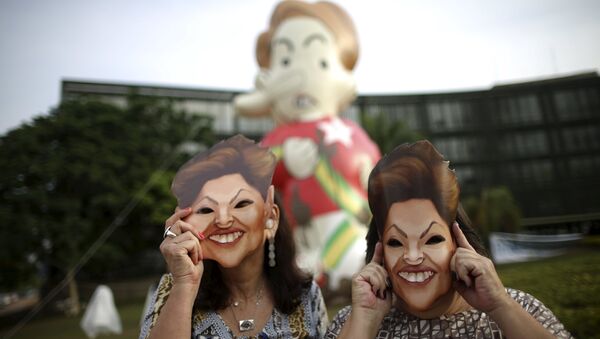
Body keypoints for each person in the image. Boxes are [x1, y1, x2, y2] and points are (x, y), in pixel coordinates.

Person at [325, 140, 572, 338]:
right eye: (395, 242)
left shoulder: (519, 307)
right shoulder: (353, 320)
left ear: (458, 241)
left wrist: (499, 306)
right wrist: (365, 322)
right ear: (379, 250)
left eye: (432, 239)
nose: (412, 256)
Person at [234, 0, 381, 291]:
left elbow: (372, 169)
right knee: (297, 273)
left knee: (358, 261)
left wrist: (371, 176)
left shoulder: (350, 131)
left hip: (349, 227)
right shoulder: (276, 139)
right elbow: (252, 179)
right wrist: (283, 161)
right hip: (297, 236)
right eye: (285, 62)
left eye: (322, 62)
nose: (299, 76)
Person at [139, 135, 328, 339]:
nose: (223, 220)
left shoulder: (304, 294)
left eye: (241, 204)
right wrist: (185, 284)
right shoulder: (174, 288)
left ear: (271, 218)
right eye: (206, 209)